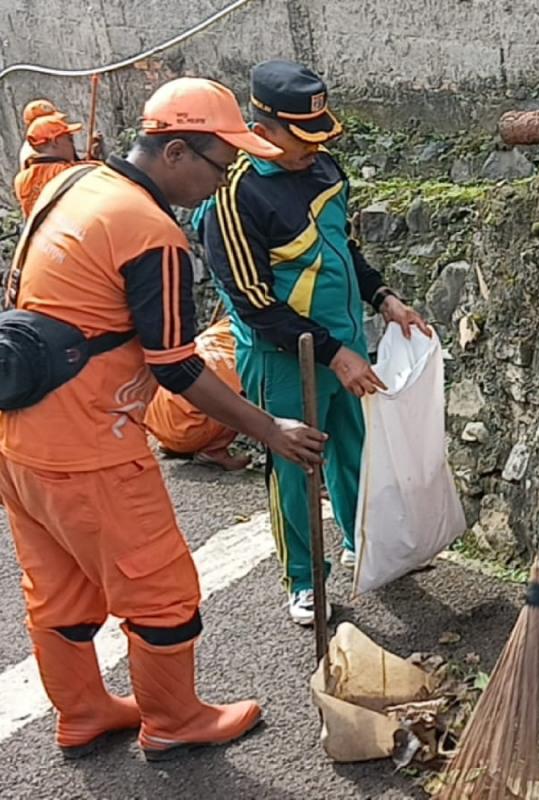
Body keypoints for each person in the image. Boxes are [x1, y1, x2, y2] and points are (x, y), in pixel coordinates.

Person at [0, 77, 326, 761]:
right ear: (175, 151)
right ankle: (173, 720)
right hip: (93, 443)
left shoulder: (70, 186)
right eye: (219, 164)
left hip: (22, 439)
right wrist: (270, 429)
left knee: (58, 586)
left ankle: (83, 713)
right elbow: (176, 365)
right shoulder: (152, 232)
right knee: (163, 592)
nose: (223, 180)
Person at [199, 60, 431, 627]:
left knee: (356, 451)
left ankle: (365, 545)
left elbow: (343, 250)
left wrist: (384, 299)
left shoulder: (324, 169)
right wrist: (333, 352)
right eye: (302, 139)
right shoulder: (234, 197)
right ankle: (304, 580)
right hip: (286, 357)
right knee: (296, 463)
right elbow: (255, 306)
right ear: (264, 128)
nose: (313, 150)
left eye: (319, 136)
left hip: (345, 341)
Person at [144, 316, 251, 471]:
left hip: (155, 422)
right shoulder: (246, 352)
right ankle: (214, 451)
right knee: (242, 396)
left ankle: (172, 442)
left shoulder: (222, 328)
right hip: (186, 432)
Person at [12, 108, 96, 218]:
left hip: (41, 234)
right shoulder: (67, 172)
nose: (72, 145)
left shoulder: (20, 179)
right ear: (55, 141)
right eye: (70, 139)